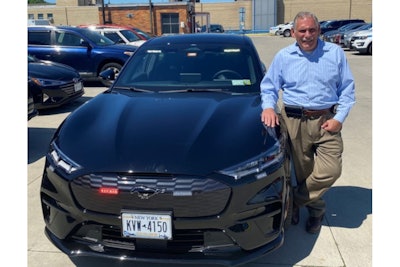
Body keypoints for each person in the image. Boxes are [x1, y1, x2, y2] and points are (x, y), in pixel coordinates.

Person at [260, 11, 355, 234]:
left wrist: (339, 119)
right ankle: (316, 212)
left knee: (330, 170)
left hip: (326, 120)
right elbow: (269, 87)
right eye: (302, 30)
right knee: (303, 172)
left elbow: (347, 90)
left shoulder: (335, 54)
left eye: (312, 30)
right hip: (294, 121)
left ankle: (294, 201)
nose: (307, 35)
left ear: (319, 30)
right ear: (293, 32)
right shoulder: (284, 57)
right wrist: (268, 107)